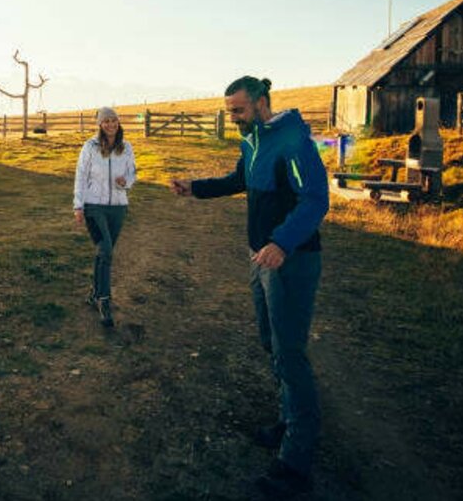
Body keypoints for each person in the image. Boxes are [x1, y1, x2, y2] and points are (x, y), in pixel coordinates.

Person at [171, 76, 328, 499]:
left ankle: (296, 461)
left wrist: (282, 242)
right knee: (270, 342)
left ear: (260, 103)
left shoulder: (293, 140)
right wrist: (195, 188)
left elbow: (315, 199)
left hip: (291, 261)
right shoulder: (253, 140)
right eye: (229, 111)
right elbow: (240, 180)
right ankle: (289, 417)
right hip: (262, 260)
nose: (234, 118)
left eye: (238, 110)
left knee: (289, 352)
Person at [73, 107, 136, 327]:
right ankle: (104, 300)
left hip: (118, 207)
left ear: (119, 123)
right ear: (100, 124)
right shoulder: (89, 147)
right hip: (93, 206)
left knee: (104, 253)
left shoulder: (126, 147)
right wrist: (78, 205)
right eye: (106, 121)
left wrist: (125, 182)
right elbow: (80, 176)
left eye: (114, 121)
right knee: (106, 249)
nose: (111, 124)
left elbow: (132, 173)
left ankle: (94, 293)